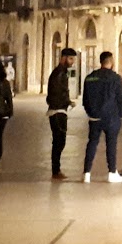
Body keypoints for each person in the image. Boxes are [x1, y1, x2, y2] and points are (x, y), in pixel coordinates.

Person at [80, 51, 122, 183]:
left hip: (94, 118)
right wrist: (120, 115)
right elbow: (120, 99)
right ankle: (112, 172)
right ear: (111, 61)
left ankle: (86, 174)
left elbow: (85, 100)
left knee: (92, 143)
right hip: (111, 117)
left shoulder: (90, 78)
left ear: (101, 62)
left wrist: (91, 113)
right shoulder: (116, 78)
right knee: (111, 144)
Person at [46, 48, 78, 180]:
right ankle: (56, 170)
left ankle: (56, 169)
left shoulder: (60, 73)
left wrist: (68, 102)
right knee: (59, 141)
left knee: (59, 141)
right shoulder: (59, 74)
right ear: (63, 58)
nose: (72, 62)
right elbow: (57, 93)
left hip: (59, 109)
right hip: (58, 111)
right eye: (70, 59)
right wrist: (66, 102)